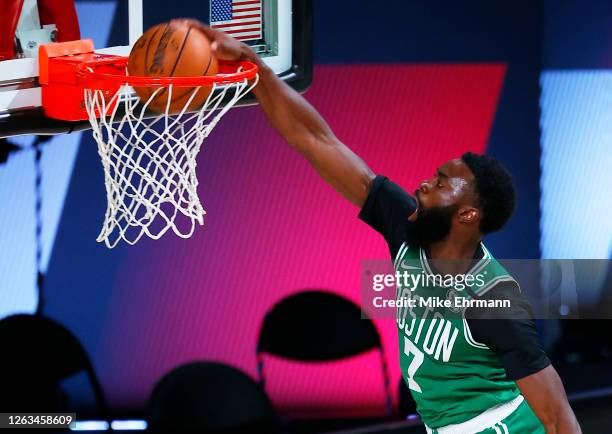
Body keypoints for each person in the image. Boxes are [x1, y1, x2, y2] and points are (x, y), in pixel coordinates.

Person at [175, 19, 582, 434]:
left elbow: (557, 416)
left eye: (441, 184)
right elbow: (317, 140)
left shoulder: (494, 302)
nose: (424, 184)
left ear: (467, 216)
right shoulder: (407, 227)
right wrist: (253, 65)